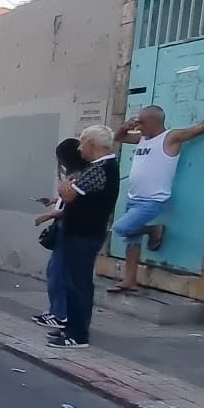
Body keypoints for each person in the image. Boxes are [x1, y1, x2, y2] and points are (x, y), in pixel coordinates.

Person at [109, 93, 204, 293]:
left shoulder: (170, 137)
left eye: (142, 122)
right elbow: (118, 138)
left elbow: (202, 127)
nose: (139, 126)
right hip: (134, 197)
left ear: (154, 121)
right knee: (131, 241)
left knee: (121, 229)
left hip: (153, 200)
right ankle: (129, 280)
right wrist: (125, 126)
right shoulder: (142, 138)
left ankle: (153, 230)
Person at [50, 125, 121, 349]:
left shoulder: (101, 168)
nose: (79, 149)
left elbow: (69, 194)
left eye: (82, 143)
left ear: (91, 143)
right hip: (82, 232)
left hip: (84, 234)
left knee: (78, 283)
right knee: (73, 282)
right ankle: (71, 328)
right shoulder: (101, 166)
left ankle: (77, 334)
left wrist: (64, 185)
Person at [31, 138, 88, 330]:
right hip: (66, 228)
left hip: (70, 229)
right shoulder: (75, 174)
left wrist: (48, 215)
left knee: (58, 273)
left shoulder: (79, 175)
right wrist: (54, 200)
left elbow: (75, 206)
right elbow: (68, 200)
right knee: (55, 270)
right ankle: (56, 310)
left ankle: (60, 314)